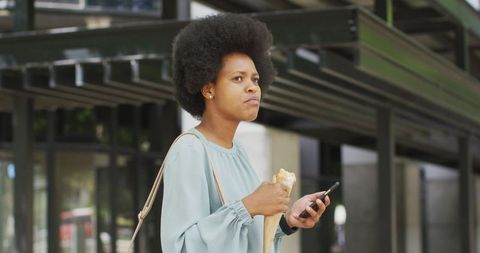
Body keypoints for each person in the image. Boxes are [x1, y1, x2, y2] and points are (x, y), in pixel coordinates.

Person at [161, 13, 330, 253]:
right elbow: (182, 246)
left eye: (255, 78)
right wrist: (249, 206)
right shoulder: (190, 150)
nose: (252, 87)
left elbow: (246, 238)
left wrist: (288, 220)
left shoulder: (236, 150)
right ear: (209, 89)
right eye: (238, 78)